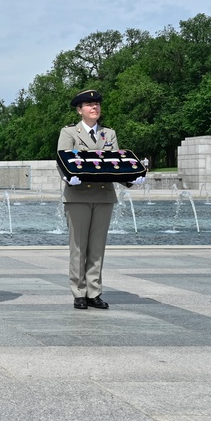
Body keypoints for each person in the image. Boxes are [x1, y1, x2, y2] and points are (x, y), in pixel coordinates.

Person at [59, 89, 144, 310]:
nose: (94, 107)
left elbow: (115, 163)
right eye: (89, 104)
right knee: (78, 247)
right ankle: (79, 291)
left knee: (97, 247)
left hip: (104, 195)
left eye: (96, 104)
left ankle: (94, 291)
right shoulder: (70, 133)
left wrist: (130, 178)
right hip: (78, 195)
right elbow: (62, 160)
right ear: (80, 110)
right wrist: (69, 178)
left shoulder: (109, 134)